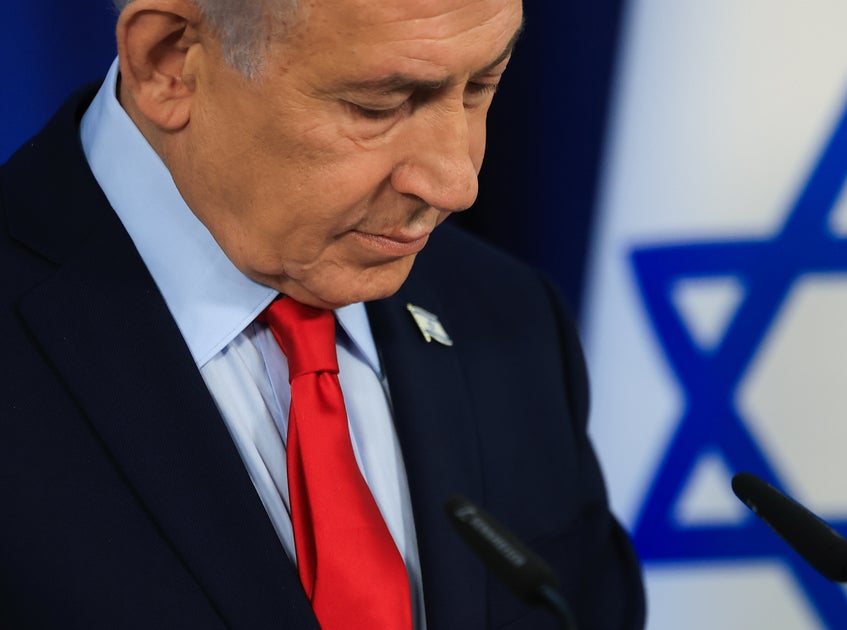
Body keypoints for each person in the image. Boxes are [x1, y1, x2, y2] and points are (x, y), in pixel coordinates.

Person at [0, 0, 645, 628]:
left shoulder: (511, 316)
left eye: (480, 86)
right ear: (169, 61)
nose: (457, 183)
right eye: (379, 106)